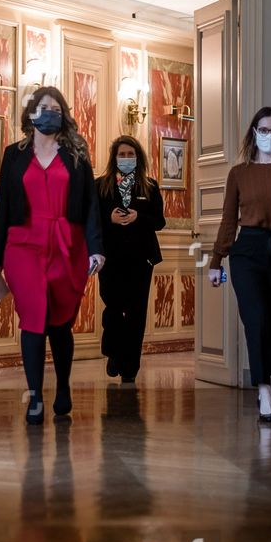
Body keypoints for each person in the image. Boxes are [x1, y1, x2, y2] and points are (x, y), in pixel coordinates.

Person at [0, 88, 106, 424]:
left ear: (64, 114)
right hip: (23, 244)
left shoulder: (77, 154)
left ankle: (64, 386)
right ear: (31, 112)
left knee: (59, 321)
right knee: (33, 317)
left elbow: (90, 207)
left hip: (67, 244)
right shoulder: (13, 154)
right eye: (43, 107)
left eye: (55, 108)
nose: (49, 113)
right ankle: (36, 396)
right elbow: (2, 209)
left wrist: (96, 249)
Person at [208, 108, 271, 422]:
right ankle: (263, 389)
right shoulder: (239, 173)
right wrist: (216, 260)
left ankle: (268, 375)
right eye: (264, 129)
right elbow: (228, 220)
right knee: (255, 318)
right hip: (247, 250)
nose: (269, 135)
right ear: (254, 131)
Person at [93, 136, 165, 382]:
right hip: (110, 259)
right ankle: (113, 351)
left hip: (140, 260)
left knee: (136, 315)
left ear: (138, 157)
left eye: (130, 154)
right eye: (121, 154)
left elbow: (159, 221)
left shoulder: (150, 186)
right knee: (113, 309)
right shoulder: (100, 186)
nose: (126, 158)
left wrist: (138, 217)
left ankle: (129, 370)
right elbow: (91, 222)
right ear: (114, 158)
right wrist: (110, 220)